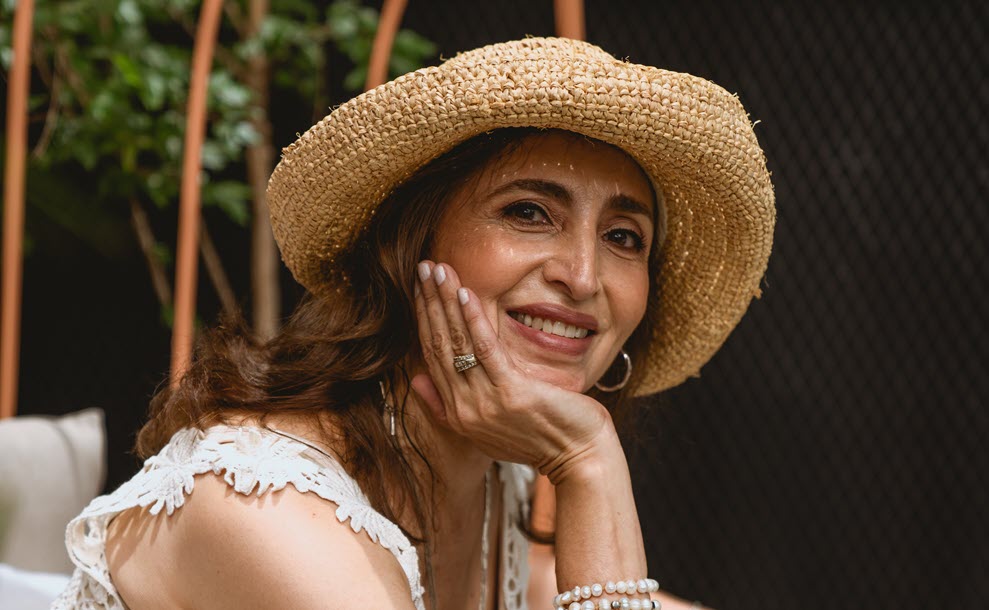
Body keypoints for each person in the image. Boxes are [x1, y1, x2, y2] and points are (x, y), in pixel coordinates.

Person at [53, 37, 774, 610]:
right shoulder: (263, 509)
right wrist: (589, 466)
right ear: (410, 248)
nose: (583, 278)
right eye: (528, 212)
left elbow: (537, 581)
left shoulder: (484, 469)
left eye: (623, 237)